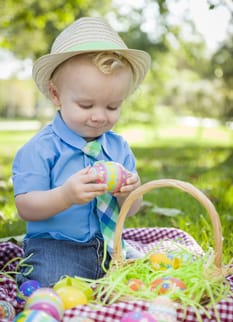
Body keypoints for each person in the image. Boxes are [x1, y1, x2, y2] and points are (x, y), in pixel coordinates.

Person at [12, 17, 151, 287]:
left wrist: (129, 193)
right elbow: (25, 207)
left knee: (145, 282)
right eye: (86, 105)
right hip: (58, 247)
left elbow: (132, 210)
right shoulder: (40, 149)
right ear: (56, 95)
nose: (99, 117)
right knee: (49, 283)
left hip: (112, 247)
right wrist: (65, 195)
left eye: (112, 107)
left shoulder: (118, 147)